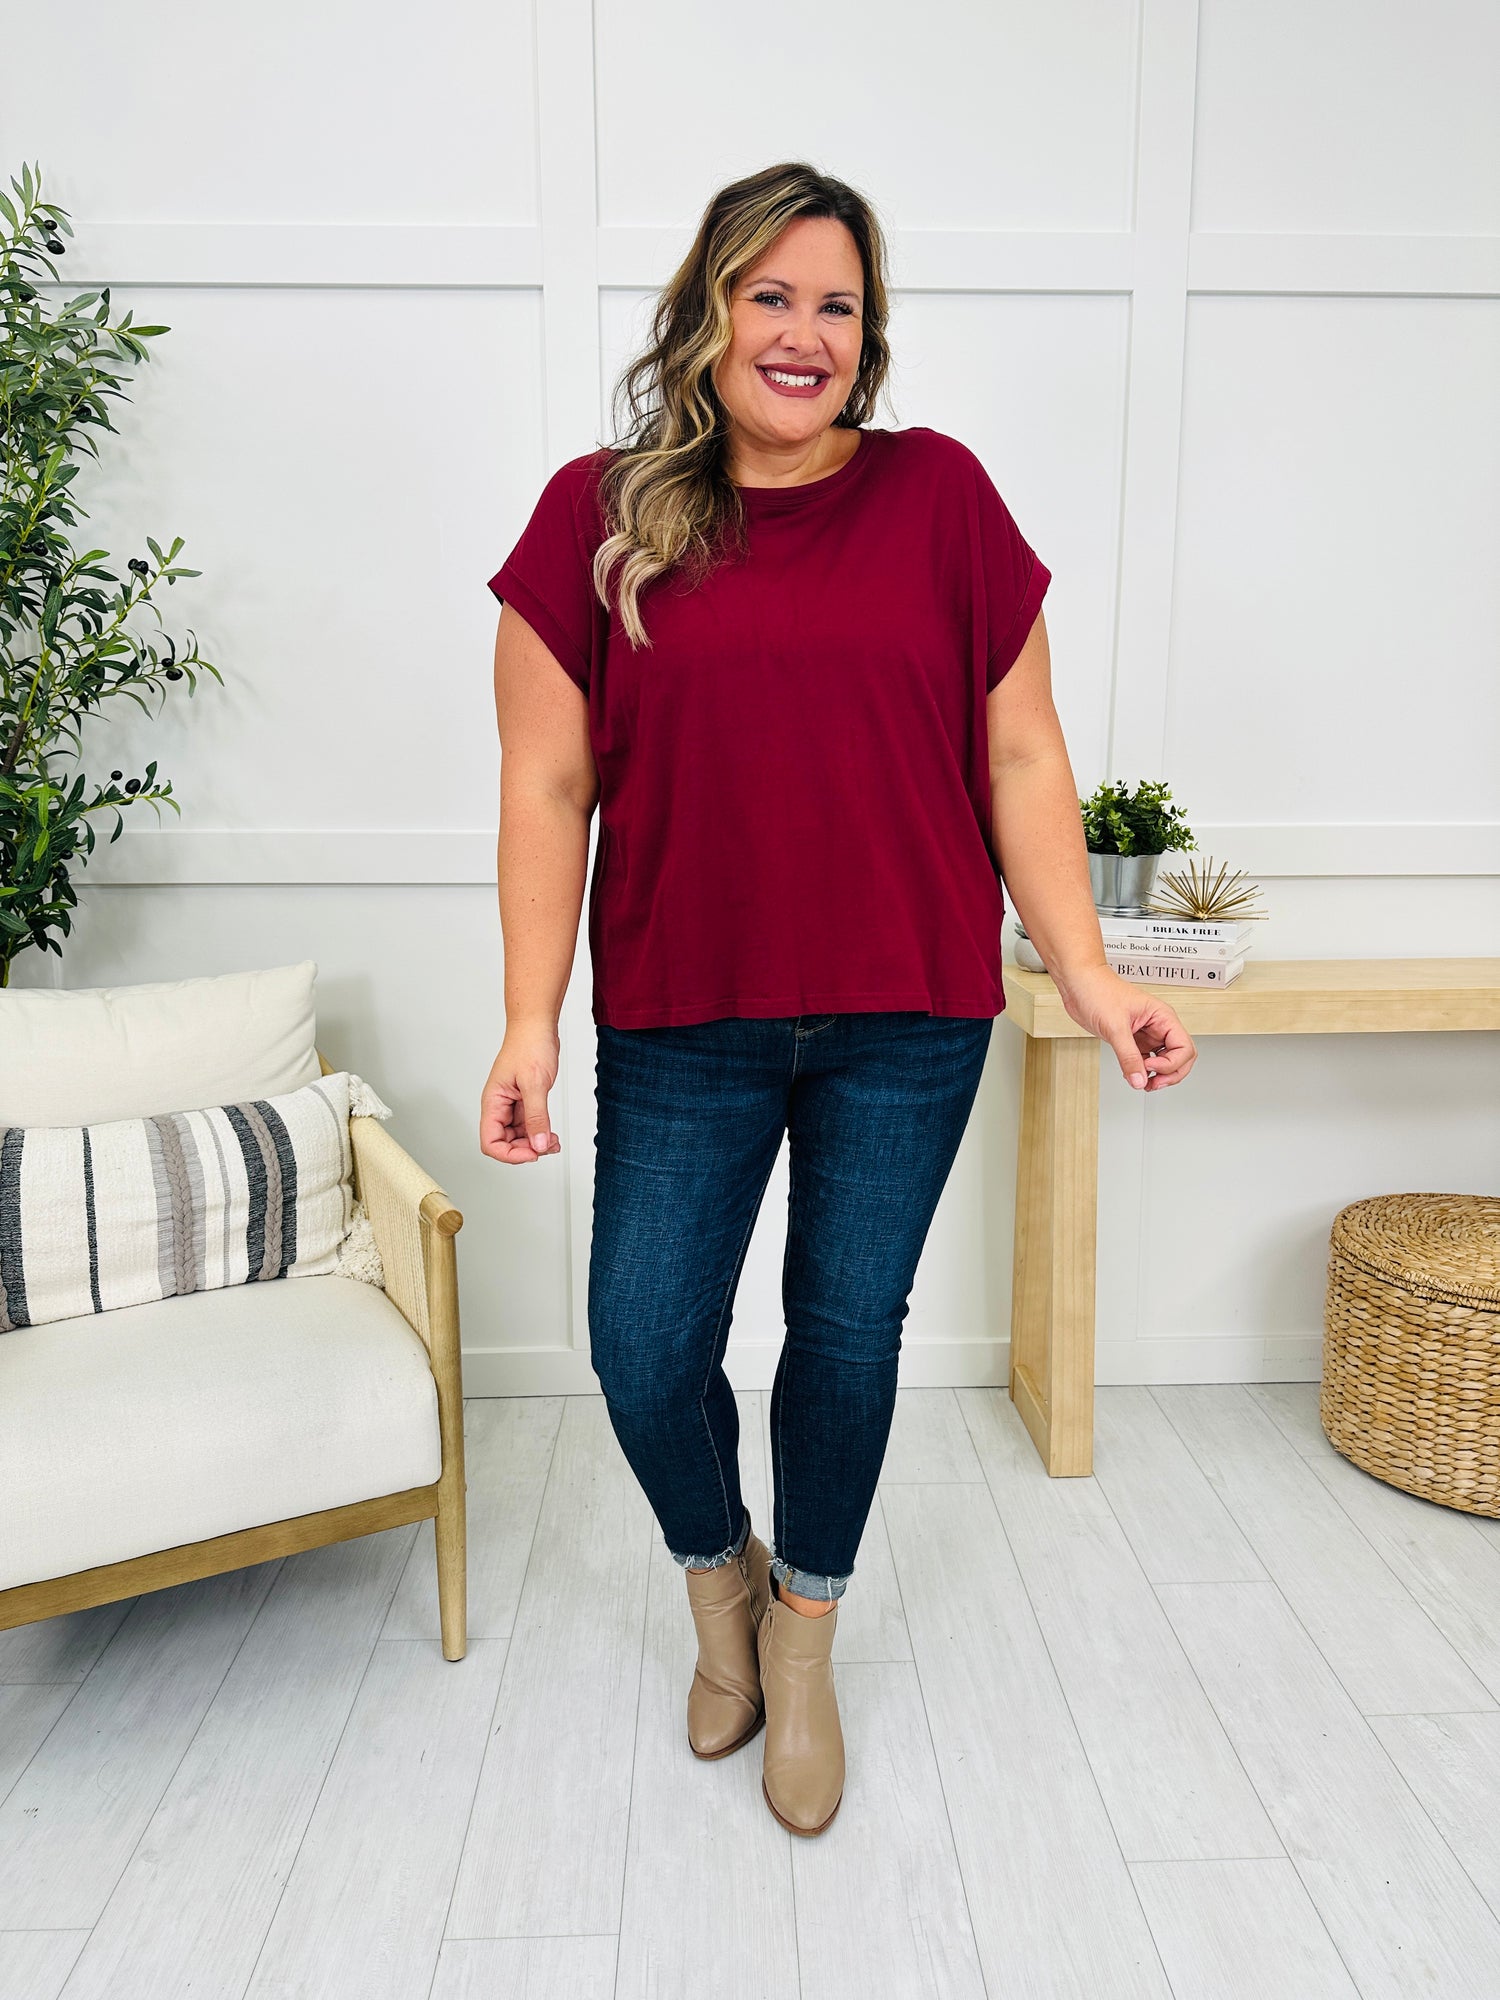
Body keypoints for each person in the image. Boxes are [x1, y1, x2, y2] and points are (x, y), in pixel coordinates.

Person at [479, 161, 1197, 1838]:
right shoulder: (597, 514)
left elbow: (1022, 756)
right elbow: (546, 788)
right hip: (685, 1012)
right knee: (643, 1342)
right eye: (771, 296)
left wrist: (1090, 975)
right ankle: (714, 1576)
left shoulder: (941, 497)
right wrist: (528, 1019)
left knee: (847, 1334)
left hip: (908, 1012)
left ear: (869, 338)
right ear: (709, 309)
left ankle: (801, 1638)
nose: (804, 334)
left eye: (839, 306)